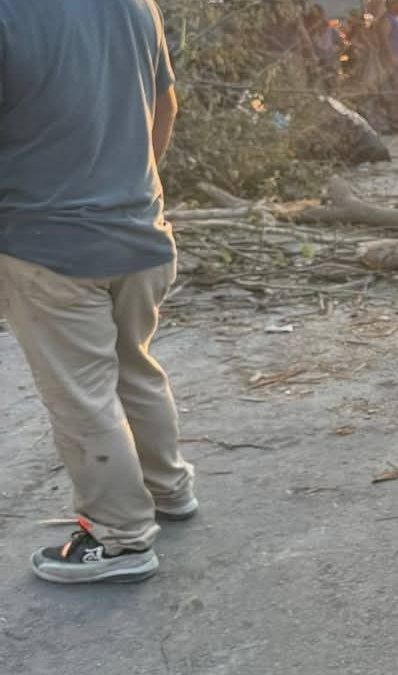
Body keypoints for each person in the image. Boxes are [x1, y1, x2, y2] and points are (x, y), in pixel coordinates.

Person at [0, 0, 193, 584]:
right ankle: (169, 489)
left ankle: (120, 538)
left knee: (82, 396)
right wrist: (129, 191)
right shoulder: (137, 4)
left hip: (48, 244)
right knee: (134, 366)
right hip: (140, 231)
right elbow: (166, 105)